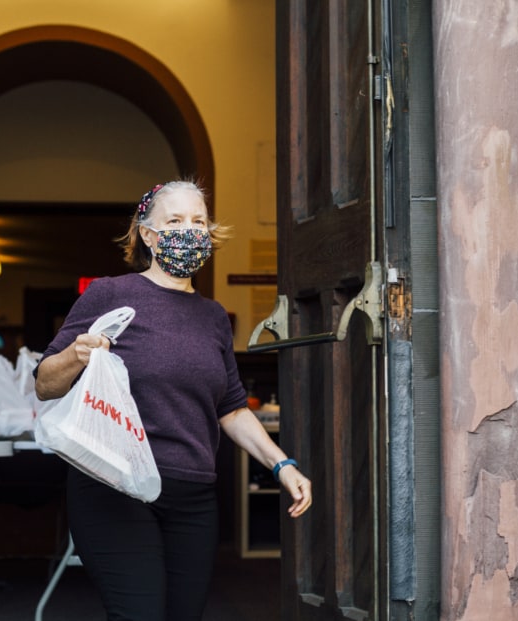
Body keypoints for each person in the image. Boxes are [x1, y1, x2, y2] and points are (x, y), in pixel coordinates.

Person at [34, 180, 312, 621]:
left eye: (198, 221)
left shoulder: (214, 317)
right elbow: (45, 384)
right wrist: (76, 354)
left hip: (194, 496)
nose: (190, 231)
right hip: (116, 486)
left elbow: (233, 408)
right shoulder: (111, 294)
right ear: (147, 234)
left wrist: (283, 465)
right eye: (175, 221)